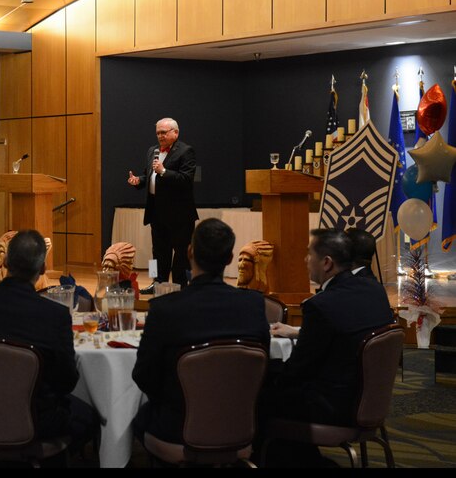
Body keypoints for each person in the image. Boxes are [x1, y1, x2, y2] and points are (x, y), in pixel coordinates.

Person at [0, 229, 98, 449]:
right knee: (91, 416)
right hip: (36, 419)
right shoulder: (54, 315)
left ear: (6, 261)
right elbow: (66, 381)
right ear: (43, 268)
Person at [259, 228, 394, 467]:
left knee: (256, 397)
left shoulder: (322, 306)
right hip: (369, 400)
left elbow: (297, 371)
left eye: (308, 254)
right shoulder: (373, 290)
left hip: (334, 407)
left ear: (327, 262)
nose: (305, 260)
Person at [132, 218, 271, 444]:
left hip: (177, 426)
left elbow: (143, 375)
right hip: (240, 423)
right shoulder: (254, 305)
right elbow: (262, 363)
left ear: (189, 252)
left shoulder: (165, 309)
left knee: (136, 419)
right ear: (229, 259)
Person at [127, 117, 197, 287]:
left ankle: (180, 285)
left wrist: (164, 171)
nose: (160, 136)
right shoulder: (152, 150)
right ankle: (156, 281)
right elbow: (149, 175)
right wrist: (139, 181)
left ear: (175, 132)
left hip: (179, 214)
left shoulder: (186, 151)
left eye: (163, 132)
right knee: (157, 252)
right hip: (156, 212)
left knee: (180, 253)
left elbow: (186, 180)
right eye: (158, 133)